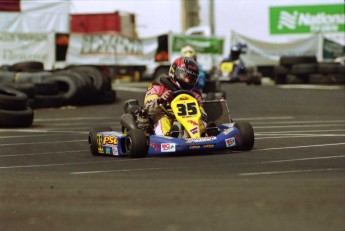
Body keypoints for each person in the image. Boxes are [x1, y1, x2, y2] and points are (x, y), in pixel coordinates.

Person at [144, 56, 209, 136]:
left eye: (192, 78)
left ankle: (205, 134)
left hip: (188, 121)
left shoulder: (194, 94)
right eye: (185, 76)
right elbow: (148, 108)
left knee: (200, 122)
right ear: (174, 71)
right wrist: (160, 100)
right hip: (163, 118)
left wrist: (202, 113)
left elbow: (202, 111)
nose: (188, 80)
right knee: (164, 121)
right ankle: (167, 137)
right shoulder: (157, 88)